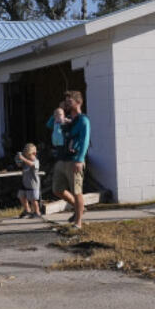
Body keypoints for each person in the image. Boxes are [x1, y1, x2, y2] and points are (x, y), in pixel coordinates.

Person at [46, 90, 90, 228]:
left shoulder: (83, 120)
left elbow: (85, 140)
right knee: (57, 189)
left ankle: (78, 222)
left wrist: (80, 159)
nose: (67, 103)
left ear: (78, 102)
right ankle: (79, 209)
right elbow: (49, 125)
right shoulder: (65, 118)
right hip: (61, 159)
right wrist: (58, 111)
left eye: (69, 101)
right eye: (66, 101)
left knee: (77, 191)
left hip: (74, 159)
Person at [16, 143, 41, 218]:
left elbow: (32, 165)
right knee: (21, 196)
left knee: (33, 199)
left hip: (33, 183)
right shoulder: (26, 161)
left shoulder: (36, 161)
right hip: (25, 182)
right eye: (26, 155)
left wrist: (23, 159)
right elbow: (19, 165)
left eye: (29, 155)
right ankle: (27, 210)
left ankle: (37, 212)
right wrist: (18, 160)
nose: (28, 157)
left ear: (34, 153)